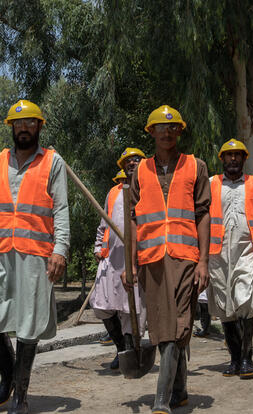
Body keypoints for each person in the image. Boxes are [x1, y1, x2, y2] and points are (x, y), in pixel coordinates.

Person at [0, 99, 69, 414]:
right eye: (18, 124)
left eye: (29, 123)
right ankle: (8, 378)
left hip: (36, 254)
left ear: (39, 126)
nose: (23, 128)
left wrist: (60, 250)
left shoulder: (52, 161)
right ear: (11, 127)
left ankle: (20, 395)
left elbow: (60, 211)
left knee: (28, 324)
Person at [123, 105, 210, 414]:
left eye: (172, 127)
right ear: (151, 132)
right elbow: (132, 219)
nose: (166, 132)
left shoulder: (195, 166)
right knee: (162, 325)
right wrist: (131, 263)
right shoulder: (140, 172)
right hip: (151, 260)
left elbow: (203, 214)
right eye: (160, 127)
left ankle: (161, 400)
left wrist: (203, 262)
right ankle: (181, 389)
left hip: (186, 258)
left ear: (179, 131)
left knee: (178, 324)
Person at [205, 139, 253, 379]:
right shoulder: (211, 183)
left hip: (247, 252)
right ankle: (234, 359)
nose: (233, 159)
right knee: (225, 309)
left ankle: (247, 359)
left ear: (244, 159)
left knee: (245, 304)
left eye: (237, 155)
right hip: (218, 254)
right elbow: (200, 220)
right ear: (222, 159)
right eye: (229, 155)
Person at [91, 148, 147, 370]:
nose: (131, 163)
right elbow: (104, 223)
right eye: (127, 161)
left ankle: (131, 353)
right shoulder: (113, 192)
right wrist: (98, 246)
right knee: (102, 305)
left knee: (132, 310)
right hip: (112, 259)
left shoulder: (149, 188)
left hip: (139, 260)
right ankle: (121, 348)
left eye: (136, 160)